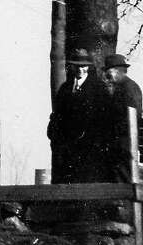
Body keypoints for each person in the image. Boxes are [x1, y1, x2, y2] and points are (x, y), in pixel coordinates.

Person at [47, 49, 115, 183]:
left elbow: (103, 121)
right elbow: (57, 116)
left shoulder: (98, 89)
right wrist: (54, 135)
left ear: (88, 67)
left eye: (83, 66)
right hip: (67, 148)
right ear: (72, 66)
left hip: (88, 149)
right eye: (77, 65)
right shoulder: (65, 88)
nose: (80, 69)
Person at [105, 54, 143, 183]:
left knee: (125, 180)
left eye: (109, 72)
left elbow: (132, 117)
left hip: (125, 144)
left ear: (118, 71)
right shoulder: (120, 88)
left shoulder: (129, 88)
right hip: (120, 144)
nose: (107, 76)